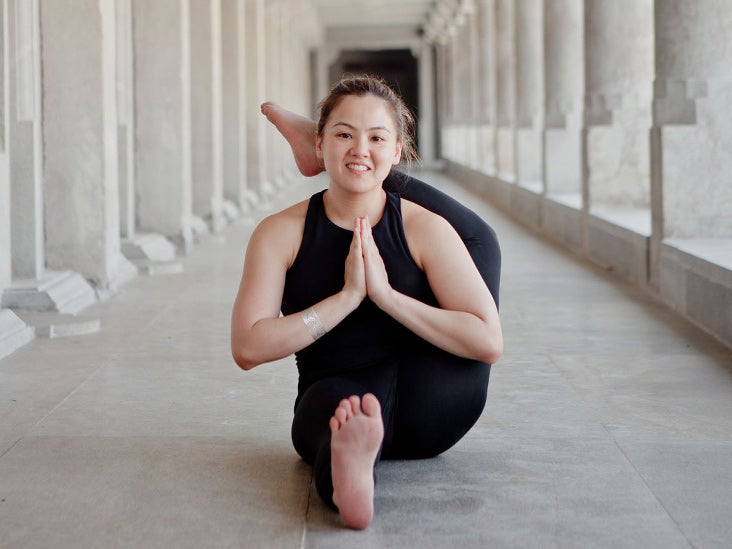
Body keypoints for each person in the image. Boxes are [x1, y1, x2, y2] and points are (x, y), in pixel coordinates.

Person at [231, 75, 503, 530]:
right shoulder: (281, 232)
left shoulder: (424, 227)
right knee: (341, 411)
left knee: (479, 242)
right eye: (343, 135)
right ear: (322, 145)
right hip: (337, 396)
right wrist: (346, 299)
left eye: (377, 138)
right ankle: (348, 473)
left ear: (398, 151)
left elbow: (488, 343)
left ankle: (352, 454)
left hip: (434, 400)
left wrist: (386, 296)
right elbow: (247, 347)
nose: (360, 148)